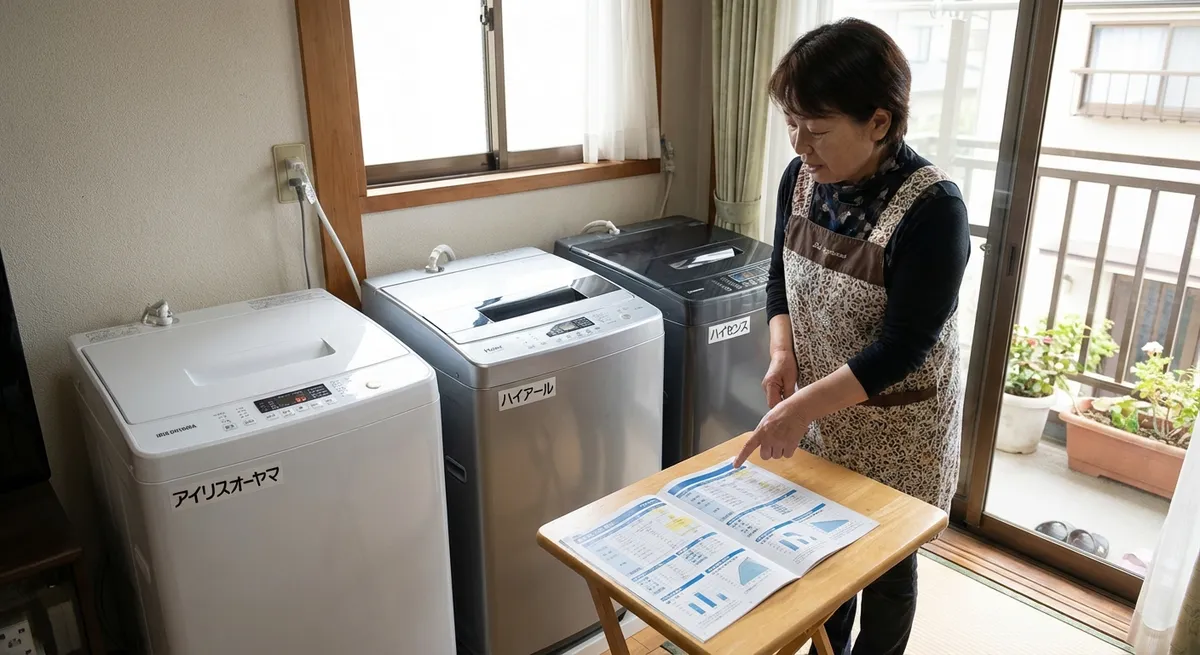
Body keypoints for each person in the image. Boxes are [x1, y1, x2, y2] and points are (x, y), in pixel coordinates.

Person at [730, 18, 970, 655]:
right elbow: (778, 274)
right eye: (792, 123)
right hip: (825, 411)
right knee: (822, 557)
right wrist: (783, 351)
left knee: (888, 566)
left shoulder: (934, 210)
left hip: (900, 426)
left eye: (816, 127)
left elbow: (904, 346)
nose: (800, 143)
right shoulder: (801, 179)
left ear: (880, 122)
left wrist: (798, 406)